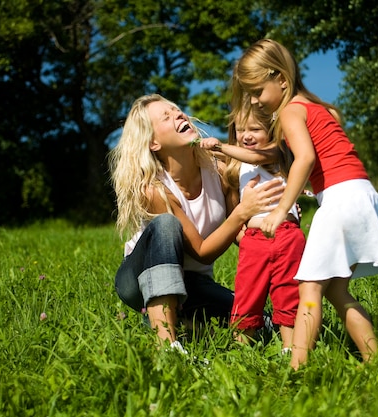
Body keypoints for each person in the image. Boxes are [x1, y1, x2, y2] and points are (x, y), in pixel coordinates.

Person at [231, 39, 378, 369]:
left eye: (257, 91)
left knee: (308, 288)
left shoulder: (292, 111)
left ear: (281, 78)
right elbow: (327, 156)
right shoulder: (318, 107)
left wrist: (282, 209)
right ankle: (375, 360)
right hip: (362, 194)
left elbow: (306, 158)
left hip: (339, 200)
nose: (255, 101)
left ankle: (297, 368)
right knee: (337, 291)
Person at [108, 94, 284, 353]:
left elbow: (240, 232)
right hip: (137, 279)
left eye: (177, 110)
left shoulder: (220, 171)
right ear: (153, 143)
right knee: (167, 224)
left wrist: (279, 225)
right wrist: (241, 213)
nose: (178, 115)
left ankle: (186, 323)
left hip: (194, 284)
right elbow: (202, 252)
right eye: (166, 117)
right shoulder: (154, 190)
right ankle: (168, 346)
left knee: (262, 323)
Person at [200, 102, 304, 351]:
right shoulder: (238, 163)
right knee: (247, 293)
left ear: (271, 131)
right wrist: (201, 147)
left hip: (287, 236)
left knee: (287, 291)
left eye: (255, 129)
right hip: (255, 239)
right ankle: (243, 350)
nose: (246, 135)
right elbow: (232, 161)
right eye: (240, 129)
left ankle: (291, 350)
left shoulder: (276, 152)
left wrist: (220, 146)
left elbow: (254, 155)